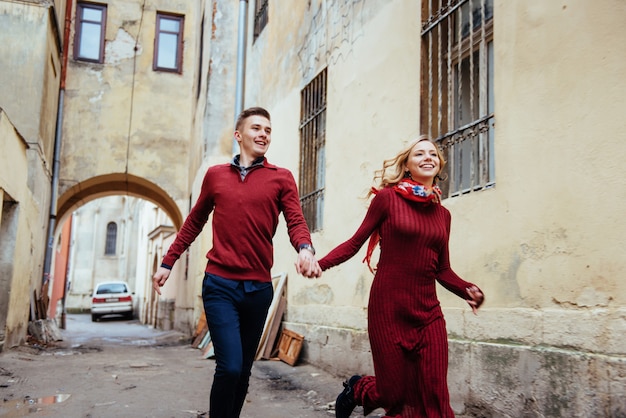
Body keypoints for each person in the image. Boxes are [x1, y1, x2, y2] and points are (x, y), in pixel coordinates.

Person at [152, 106, 321, 418]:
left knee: (243, 370)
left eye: (268, 130)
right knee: (228, 367)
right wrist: (168, 262)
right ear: (239, 135)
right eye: (256, 128)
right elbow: (193, 223)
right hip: (220, 285)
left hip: (258, 289)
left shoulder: (281, 178)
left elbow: (296, 220)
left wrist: (305, 248)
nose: (263, 135)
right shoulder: (216, 176)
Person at [318, 135, 484, 418]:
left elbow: (442, 269)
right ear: (407, 165)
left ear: (440, 164)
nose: (427, 157)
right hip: (389, 311)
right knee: (392, 394)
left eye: (432, 154)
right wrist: (319, 264)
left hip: (428, 313)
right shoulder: (387, 200)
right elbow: (355, 242)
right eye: (419, 154)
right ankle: (357, 389)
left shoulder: (443, 215)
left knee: (435, 394)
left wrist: (466, 289)